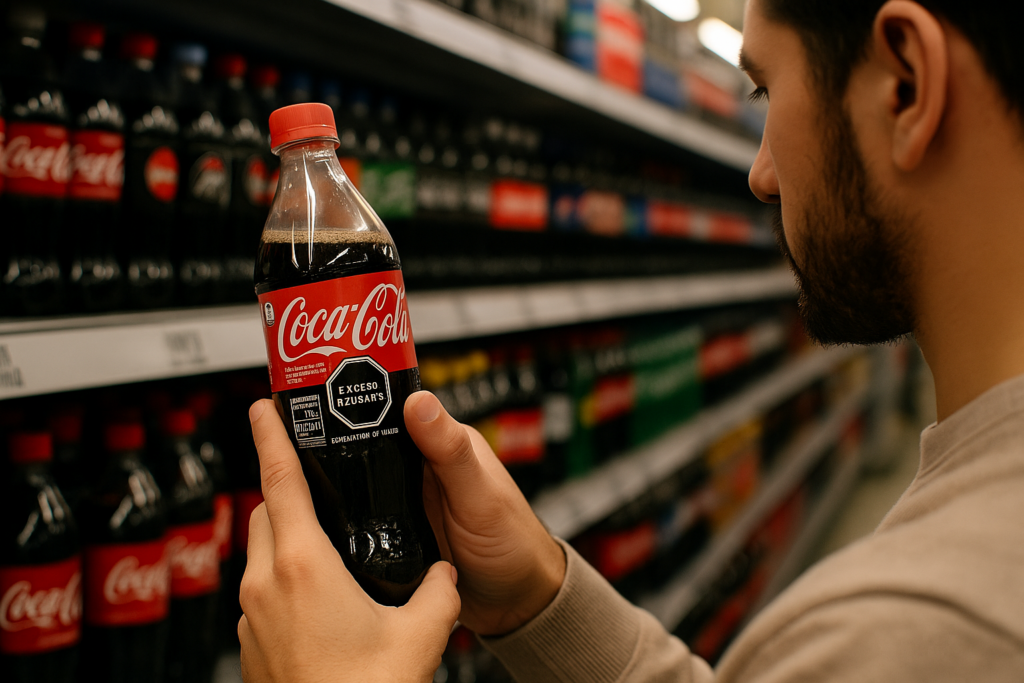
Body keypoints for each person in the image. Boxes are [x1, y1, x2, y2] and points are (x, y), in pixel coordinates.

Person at [236, 0, 1024, 680]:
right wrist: (536, 597)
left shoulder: (912, 633)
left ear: (906, 83)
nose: (759, 174)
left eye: (767, 90)